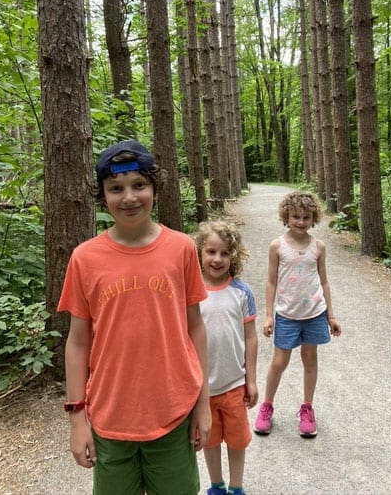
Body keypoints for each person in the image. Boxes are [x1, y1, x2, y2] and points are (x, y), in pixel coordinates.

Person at [58, 140, 210, 494]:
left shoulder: (181, 248)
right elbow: (78, 343)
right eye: (116, 189)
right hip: (111, 416)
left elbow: (196, 328)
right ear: (102, 196)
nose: (129, 197)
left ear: (155, 188)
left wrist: (203, 405)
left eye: (139, 185)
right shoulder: (85, 258)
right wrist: (76, 419)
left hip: (172, 411)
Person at [253, 191, 341, 438]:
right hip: (287, 314)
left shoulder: (318, 247)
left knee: (310, 360)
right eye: (295, 216)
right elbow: (271, 282)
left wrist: (330, 316)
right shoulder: (277, 246)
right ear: (286, 216)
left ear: (313, 218)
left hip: (313, 313)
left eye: (305, 217)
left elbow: (323, 282)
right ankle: (266, 406)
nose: (300, 221)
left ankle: (306, 408)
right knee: (279, 362)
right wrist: (269, 315)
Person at [195, 221, 258, 495]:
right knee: (209, 441)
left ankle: (236, 487)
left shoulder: (241, 293)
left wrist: (251, 380)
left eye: (224, 253)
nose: (217, 259)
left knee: (237, 440)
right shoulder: (191, 294)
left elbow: (251, 337)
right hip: (202, 388)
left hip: (233, 385)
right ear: (199, 253)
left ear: (233, 256)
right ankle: (216, 486)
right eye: (210, 252)